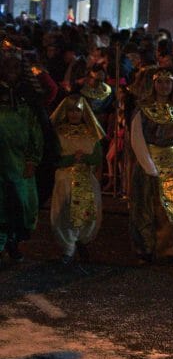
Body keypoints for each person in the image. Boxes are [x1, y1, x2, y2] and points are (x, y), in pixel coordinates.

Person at [128, 68, 173, 263]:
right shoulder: (143, 108)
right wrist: (148, 165)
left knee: (171, 207)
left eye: (168, 82)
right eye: (160, 82)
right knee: (146, 206)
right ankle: (145, 248)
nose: (164, 86)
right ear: (154, 84)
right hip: (148, 163)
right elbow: (137, 138)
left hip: (170, 163)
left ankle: (170, 250)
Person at [49, 96, 104, 265]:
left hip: (86, 177)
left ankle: (82, 241)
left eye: (78, 110)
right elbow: (53, 157)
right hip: (65, 178)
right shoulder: (58, 133)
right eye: (71, 110)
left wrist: (85, 158)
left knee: (90, 211)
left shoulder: (91, 133)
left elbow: (97, 156)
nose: (74, 114)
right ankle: (68, 247)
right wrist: (72, 158)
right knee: (64, 211)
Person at [0, 53, 43, 264]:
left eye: (16, 69)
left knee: (21, 204)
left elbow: (36, 128)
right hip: (2, 161)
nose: (11, 73)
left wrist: (32, 159)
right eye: (8, 69)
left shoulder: (26, 94)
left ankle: (13, 243)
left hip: (19, 162)